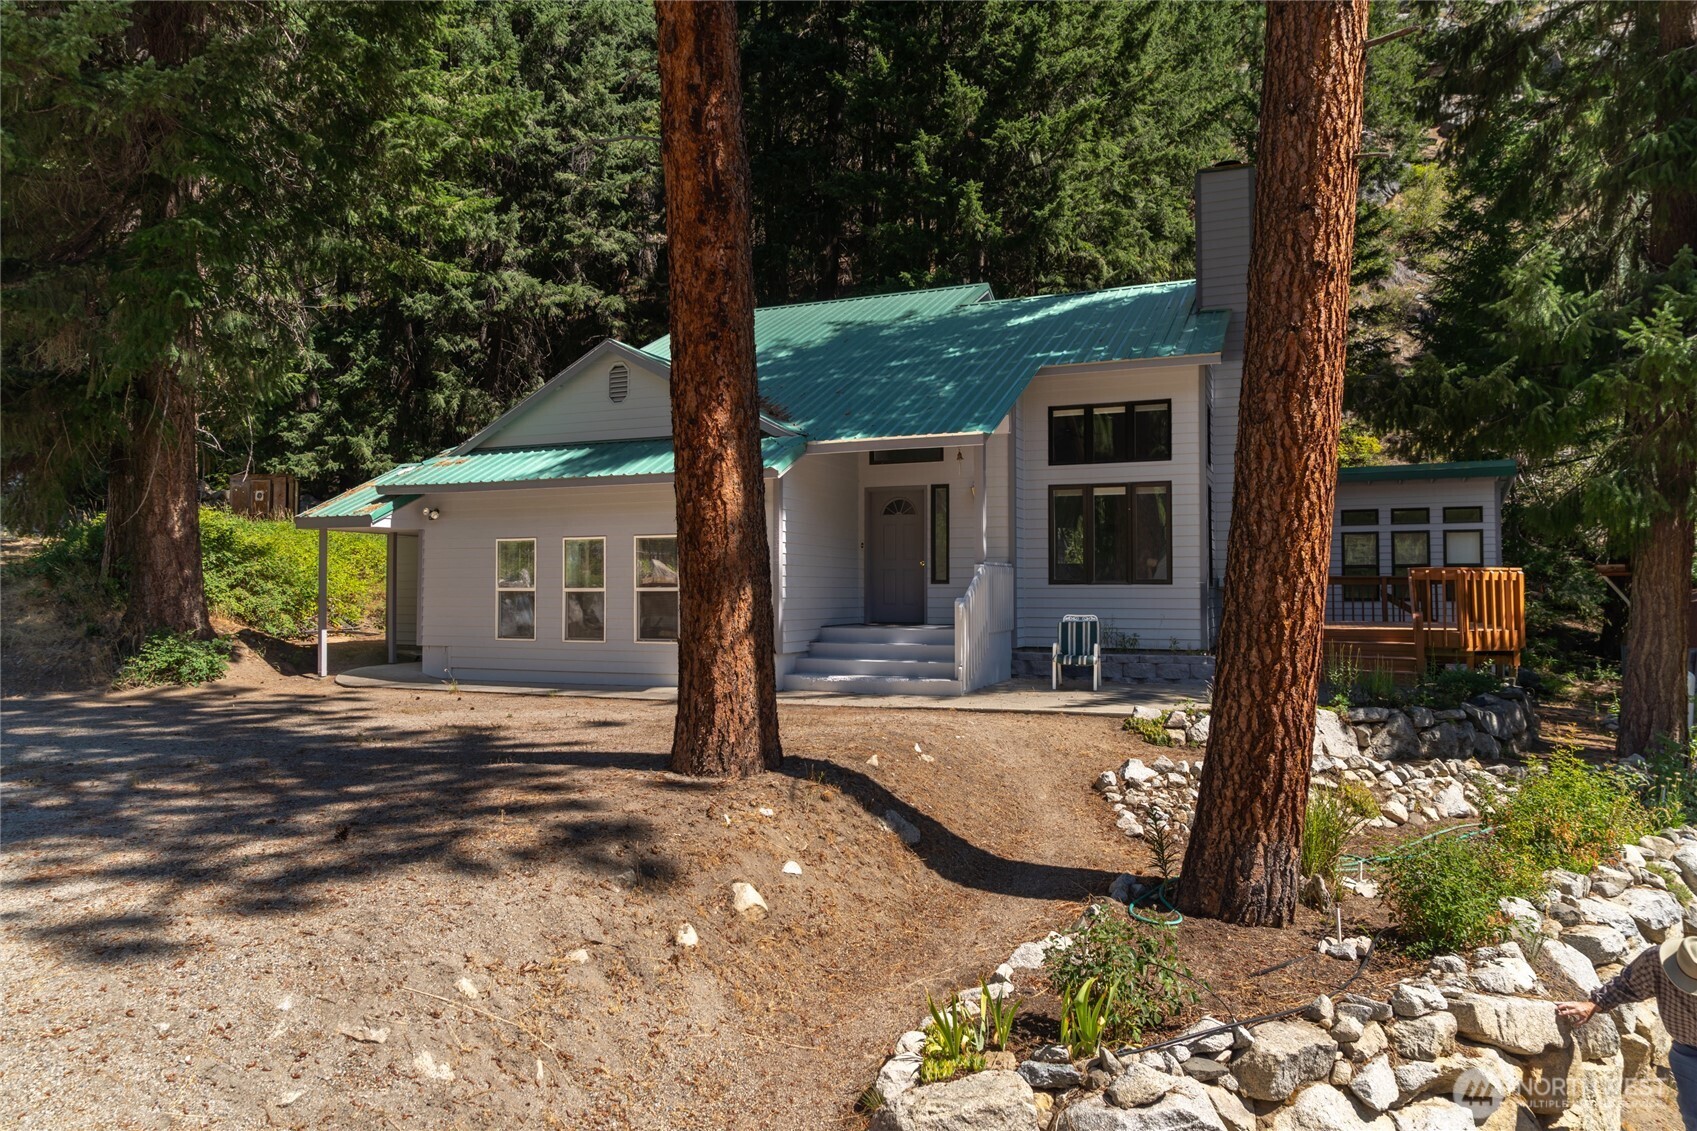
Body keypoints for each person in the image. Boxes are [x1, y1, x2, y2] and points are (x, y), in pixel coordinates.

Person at [1557, 934, 1697, 1129]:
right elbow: (1626, 985)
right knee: (1693, 1115)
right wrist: (1593, 1004)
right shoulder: (1657, 960)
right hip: (1687, 1052)